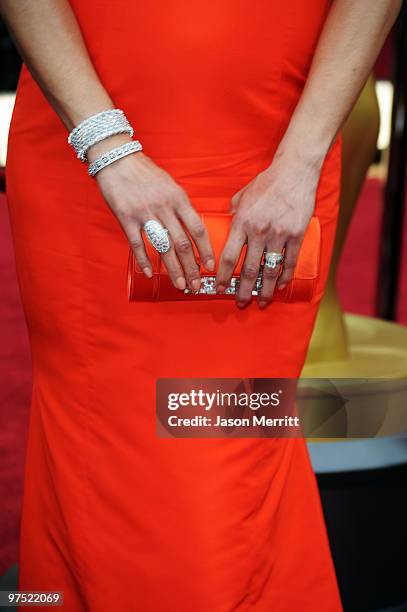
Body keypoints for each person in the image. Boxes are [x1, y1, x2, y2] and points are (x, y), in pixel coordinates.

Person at [2, 1, 400, 610]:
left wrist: (301, 161)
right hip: (90, 155)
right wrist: (109, 148)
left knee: (238, 445)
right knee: (104, 446)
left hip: (277, 164)